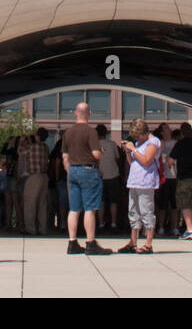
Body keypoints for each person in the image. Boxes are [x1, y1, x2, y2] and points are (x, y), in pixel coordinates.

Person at [61, 101, 112, 255]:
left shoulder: (67, 133)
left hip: (73, 171)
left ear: (75, 113)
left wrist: (69, 170)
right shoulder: (91, 132)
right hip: (88, 170)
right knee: (90, 209)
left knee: (74, 209)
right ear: (89, 113)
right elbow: (96, 154)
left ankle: (72, 242)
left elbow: (64, 157)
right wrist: (101, 152)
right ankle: (90, 243)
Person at [119, 119, 160, 253]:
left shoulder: (153, 142)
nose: (136, 138)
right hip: (134, 181)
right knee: (133, 211)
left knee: (146, 211)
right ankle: (133, 242)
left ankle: (148, 243)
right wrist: (128, 151)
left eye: (137, 136)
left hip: (146, 182)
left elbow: (146, 161)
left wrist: (134, 149)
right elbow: (132, 162)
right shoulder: (138, 143)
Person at [95, 124, 122, 231]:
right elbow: (117, 159)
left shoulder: (94, 145)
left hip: (99, 176)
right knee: (113, 202)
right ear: (106, 133)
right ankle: (113, 223)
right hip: (113, 175)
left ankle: (101, 224)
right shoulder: (112, 144)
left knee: (101, 202)